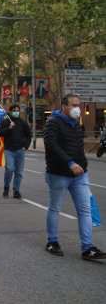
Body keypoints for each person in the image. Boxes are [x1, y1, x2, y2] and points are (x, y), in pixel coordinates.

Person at [44, 94, 105, 260]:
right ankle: (52, 241)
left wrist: (83, 165)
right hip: (58, 174)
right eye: (74, 105)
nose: (77, 108)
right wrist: (70, 162)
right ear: (64, 106)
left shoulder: (76, 125)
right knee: (55, 207)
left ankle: (88, 248)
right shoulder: (53, 122)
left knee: (85, 210)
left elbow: (78, 148)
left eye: (79, 104)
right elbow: (51, 146)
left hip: (80, 175)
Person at [0, 104, 32, 199]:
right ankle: (6, 187)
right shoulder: (5, 121)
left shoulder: (22, 122)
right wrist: (9, 128)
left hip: (20, 150)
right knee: (10, 168)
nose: (16, 112)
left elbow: (28, 136)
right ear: (10, 111)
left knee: (19, 172)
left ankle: (16, 191)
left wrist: (26, 146)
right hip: (9, 150)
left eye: (18, 110)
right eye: (14, 110)